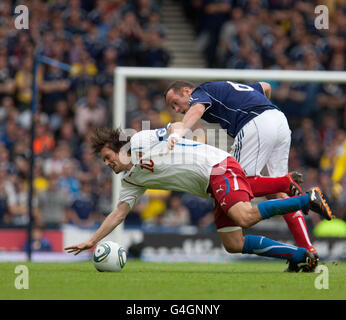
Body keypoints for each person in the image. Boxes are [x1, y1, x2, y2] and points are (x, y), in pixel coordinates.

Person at [65, 127, 334, 272]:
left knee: (244, 215)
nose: (108, 164)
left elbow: (174, 126)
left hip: (217, 167)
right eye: (104, 162)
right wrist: (93, 240)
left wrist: (173, 136)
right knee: (233, 244)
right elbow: (119, 213)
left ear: (119, 148)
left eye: (108, 157)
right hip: (212, 186)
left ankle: (306, 199)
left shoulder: (140, 141)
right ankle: (301, 257)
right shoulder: (130, 180)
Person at [164, 80, 318, 260]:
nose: (175, 109)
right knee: (277, 194)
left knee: (235, 182)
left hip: (255, 123)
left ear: (186, 91)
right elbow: (265, 86)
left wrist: (180, 131)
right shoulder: (229, 89)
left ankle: (288, 184)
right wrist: (261, 107)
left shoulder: (201, 91)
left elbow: (197, 108)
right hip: (278, 120)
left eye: (175, 102)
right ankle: (308, 249)